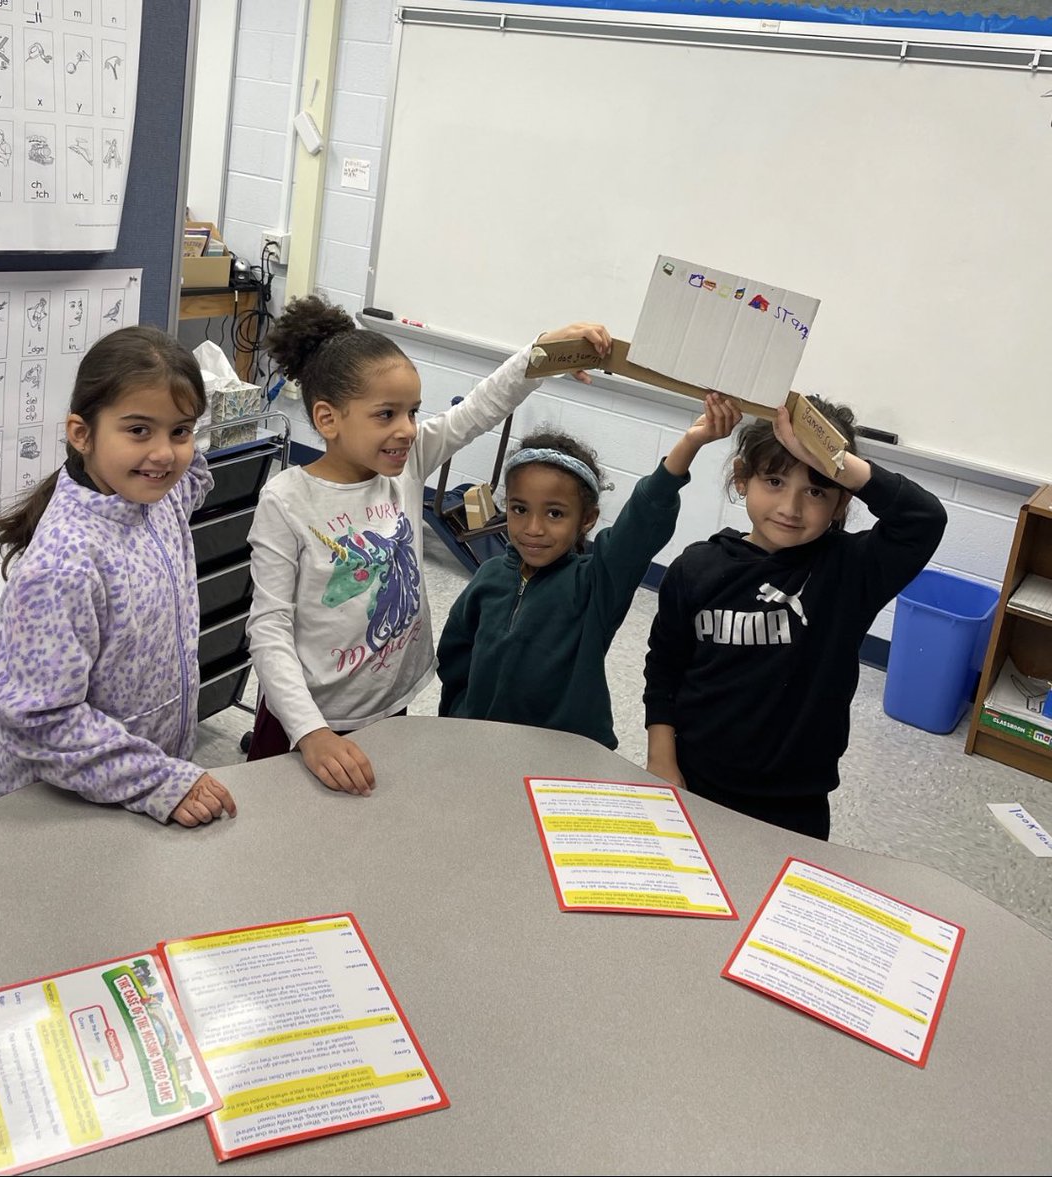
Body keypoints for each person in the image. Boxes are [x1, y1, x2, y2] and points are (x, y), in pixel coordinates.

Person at [245, 294, 609, 794]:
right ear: (329, 419)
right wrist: (311, 731)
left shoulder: (407, 464)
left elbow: (481, 407)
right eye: (386, 414)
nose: (407, 430)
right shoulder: (286, 500)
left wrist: (543, 353)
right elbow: (268, 627)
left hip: (388, 701)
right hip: (309, 716)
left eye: (413, 412)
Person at [643, 397, 947, 840]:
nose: (791, 506)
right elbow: (665, 669)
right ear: (742, 480)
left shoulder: (850, 571)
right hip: (694, 781)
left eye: (817, 490)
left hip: (793, 804)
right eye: (774, 480)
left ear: (841, 503)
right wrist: (662, 760)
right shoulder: (695, 569)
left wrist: (839, 464)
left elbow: (924, 519)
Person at [0, 326, 237, 828]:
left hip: (139, 790)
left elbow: (195, 474)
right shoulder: (62, 566)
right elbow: (36, 721)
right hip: (60, 812)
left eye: (180, 431)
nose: (165, 453)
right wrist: (156, 779)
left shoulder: (160, 498)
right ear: (81, 434)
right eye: (139, 430)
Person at [436, 394, 742, 748]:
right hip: (482, 745)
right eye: (520, 509)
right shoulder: (487, 577)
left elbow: (640, 526)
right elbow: (455, 658)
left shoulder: (595, 584)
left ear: (587, 519)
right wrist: (457, 723)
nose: (533, 528)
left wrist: (689, 444)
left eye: (554, 513)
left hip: (565, 758)